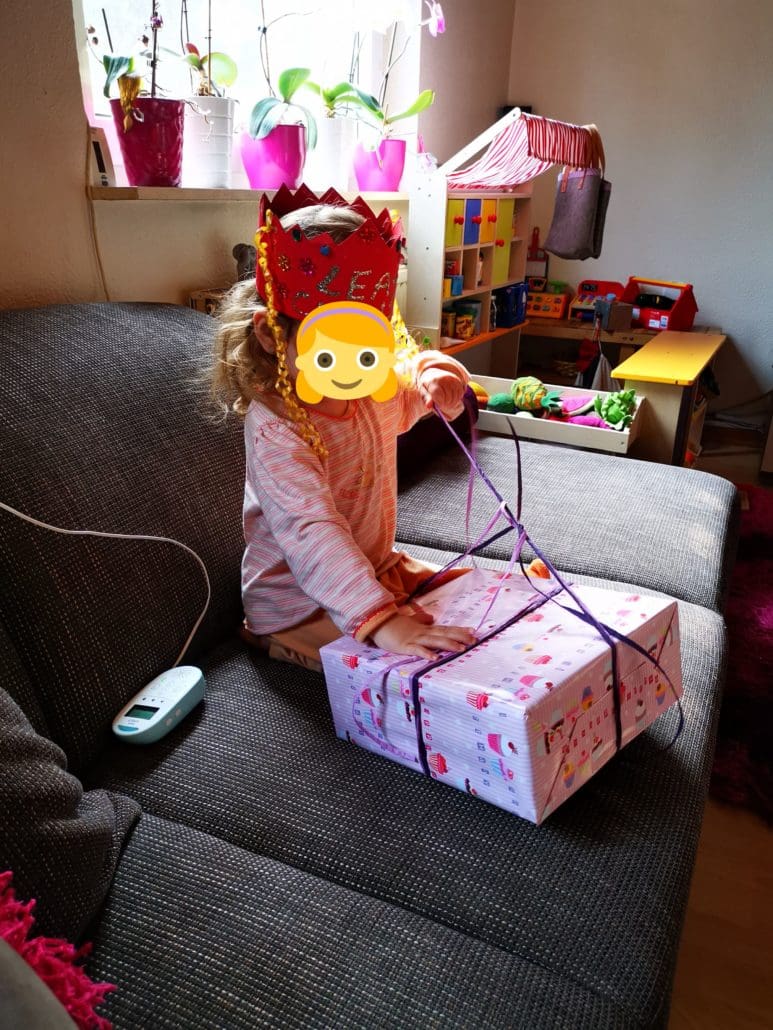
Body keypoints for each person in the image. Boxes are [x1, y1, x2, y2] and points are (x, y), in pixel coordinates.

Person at [210, 185, 477, 672]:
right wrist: (383, 621)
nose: (355, 364)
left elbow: (413, 387)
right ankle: (269, 638)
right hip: (297, 602)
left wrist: (438, 375)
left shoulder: (367, 387)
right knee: (418, 665)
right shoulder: (277, 429)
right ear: (271, 333)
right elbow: (311, 532)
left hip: (377, 567)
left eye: (367, 343)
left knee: (475, 600)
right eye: (333, 345)